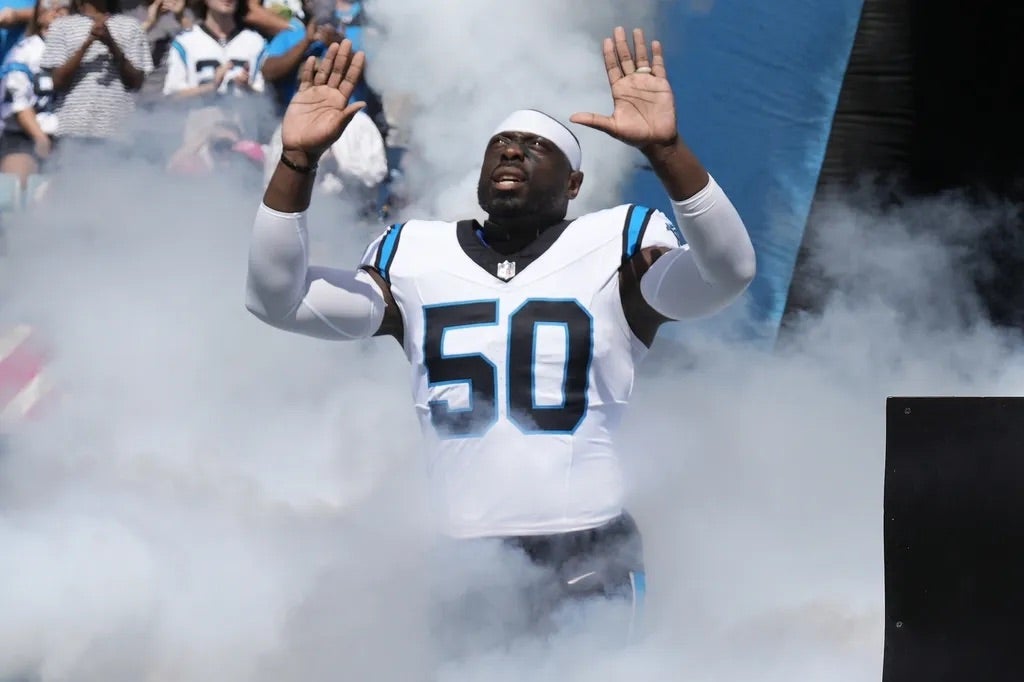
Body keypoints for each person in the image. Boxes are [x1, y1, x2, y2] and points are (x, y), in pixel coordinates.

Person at [245, 28, 756, 641]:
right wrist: (297, 162)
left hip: (585, 551)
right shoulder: (414, 251)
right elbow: (276, 299)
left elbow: (728, 273)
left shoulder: (620, 239)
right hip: (464, 562)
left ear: (573, 184)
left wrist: (669, 151)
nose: (513, 151)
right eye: (501, 143)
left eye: (537, 145)